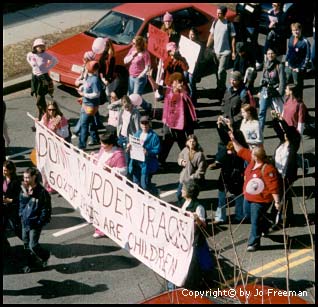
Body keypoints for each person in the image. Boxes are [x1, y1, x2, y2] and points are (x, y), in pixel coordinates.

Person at [229, 131, 281, 252]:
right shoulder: (252, 162)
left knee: (255, 221)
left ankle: (253, 243)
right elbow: (241, 151)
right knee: (248, 215)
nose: (250, 154)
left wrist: (277, 202)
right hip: (249, 198)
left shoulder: (268, 168)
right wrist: (233, 140)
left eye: (252, 154)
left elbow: (273, 186)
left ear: (256, 157)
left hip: (261, 200)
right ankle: (265, 225)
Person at [148, 72, 197, 165]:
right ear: (172, 82)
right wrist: (150, 77)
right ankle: (161, 161)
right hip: (169, 123)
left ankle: (190, 160)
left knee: (182, 143)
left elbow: (187, 98)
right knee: (166, 143)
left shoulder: (184, 92)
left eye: (180, 81)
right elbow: (157, 87)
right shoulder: (168, 91)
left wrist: (182, 91)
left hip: (180, 124)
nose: (179, 83)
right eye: (177, 81)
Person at [179, 179, 214, 290]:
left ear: (189, 192)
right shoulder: (184, 202)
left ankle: (202, 282)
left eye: (183, 189)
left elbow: (203, 224)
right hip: (186, 237)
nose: (181, 191)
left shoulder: (198, 207)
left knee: (199, 261)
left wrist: (197, 219)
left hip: (196, 239)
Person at [91, 132, 127, 238]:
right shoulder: (104, 149)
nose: (102, 147)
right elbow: (101, 157)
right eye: (101, 145)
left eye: (104, 145)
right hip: (100, 182)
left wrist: (111, 170)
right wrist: (95, 156)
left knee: (106, 208)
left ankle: (103, 228)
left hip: (110, 186)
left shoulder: (118, 154)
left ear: (111, 144)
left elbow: (124, 170)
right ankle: (99, 225)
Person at [213, 71, 248, 167]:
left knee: (235, 141)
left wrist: (233, 121)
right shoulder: (228, 90)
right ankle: (219, 160)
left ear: (239, 81)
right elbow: (224, 101)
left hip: (235, 123)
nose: (232, 82)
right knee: (222, 140)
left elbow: (244, 110)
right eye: (231, 79)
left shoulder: (243, 93)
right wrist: (222, 113)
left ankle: (237, 162)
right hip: (225, 120)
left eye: (235, 80)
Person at [19, 167, 51, 272]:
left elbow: (45, 210)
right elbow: (22, 204)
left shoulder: (42, 192)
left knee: (33, 245)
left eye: (28, 177)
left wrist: (39, 222)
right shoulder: (24, 188)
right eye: (24, 177)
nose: (25, 180)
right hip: (25, 221)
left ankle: (45, 256)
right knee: (26, 243)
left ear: (34, 177)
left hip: (35, 223)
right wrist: (21, 214)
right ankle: (30, 263)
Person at [272, 118, 301, 227]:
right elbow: (278, 129)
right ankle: (290, 217)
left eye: (286, 133)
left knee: (280, 198)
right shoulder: (282, 142)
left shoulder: (293, 145)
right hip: (277, 174)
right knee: (285, 197)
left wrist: (283, 121)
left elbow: (288, 130)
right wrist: (275, 119)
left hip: (287, 176)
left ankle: (277, 219)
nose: (284, 134)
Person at [206, 5, 236, 100]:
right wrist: (207, 47)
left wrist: (233, 52)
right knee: (216, 71)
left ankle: (221, 89)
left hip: (225, 52)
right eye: (217, 13)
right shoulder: (215, 22)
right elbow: (211, 35)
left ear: (224, 14)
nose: (218, 15)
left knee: (221, 71)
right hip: (216, 51)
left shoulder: (229, 24)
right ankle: (219, 87)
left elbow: (233, 39)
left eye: (220, 13)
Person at [27, 38, 58, 128]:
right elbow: (28, 59)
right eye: (39, 46)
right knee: (40, 102)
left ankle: (45, 118)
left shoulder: (45, 55)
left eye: (42, 46)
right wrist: (32, 67)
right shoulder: (30, 54)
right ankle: (44, 119)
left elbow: (55, 60)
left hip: (43, 78)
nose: (41, 47)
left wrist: (47, 68)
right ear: (35, 47)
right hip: (35, 78)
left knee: (39, 101)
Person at [213, 141, 245, 225]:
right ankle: (224, 217)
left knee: (237, 198)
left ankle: (237, 216)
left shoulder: (239, 155)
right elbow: (218, 161)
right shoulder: (224, 152)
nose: (230, 152)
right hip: (227, 178)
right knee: (223, 198)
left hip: (235, 178)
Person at [128, 115, 161, 195]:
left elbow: (157, 150)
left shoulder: (154, 136)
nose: (144, 125)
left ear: (149, 124)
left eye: (146, 123)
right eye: (142, 123)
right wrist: (129, 146)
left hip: (146, 164)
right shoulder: (137, 133)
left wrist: (148, 152)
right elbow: (134, 144)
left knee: (144, 185)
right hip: (136, 163)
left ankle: (155, 192)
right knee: (136, 184)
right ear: (140, 124)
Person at [258, 48, 286, 132]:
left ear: (275, 55)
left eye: (272, 53)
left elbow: (282, 80)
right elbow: (262, 77)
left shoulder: (279, 65)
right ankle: (260, 132)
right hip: (265, 90)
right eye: (268, 53)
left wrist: (280, 93)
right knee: (262, 112)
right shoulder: (265, 64)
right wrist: (260, 90)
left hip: (274, 91)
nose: (270, 55)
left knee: (277, 113)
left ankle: (282, 131)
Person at [77, 60, 102, 149]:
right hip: (87, 104)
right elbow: (87, 85)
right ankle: (95, 139)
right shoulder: (89, 77)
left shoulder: (95, 80)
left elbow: (97, 94)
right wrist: (82, 88)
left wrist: (84, 95)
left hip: (90, 106)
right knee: (91, 122)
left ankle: (81, 145)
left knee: (84, 125)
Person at [177, 134, 207, 203]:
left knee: (189, 197)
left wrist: (193, 176)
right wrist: (181, 162)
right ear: (187, 142)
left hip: (192, 181)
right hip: (183, 178)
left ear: (196, 142)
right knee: (179, 195)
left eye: (193, 141)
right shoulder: (185, 150)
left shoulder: (199, 154)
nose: (192, 143)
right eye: (190, 141)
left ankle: (190, 209)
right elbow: (179, 158)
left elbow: (201, 169)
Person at [285, 23, 311, 99]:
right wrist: (286, 60)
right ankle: (289, 103)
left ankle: (299, 104)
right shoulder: (291, 38)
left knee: (298, 87)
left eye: (297, 30)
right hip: (289, 66)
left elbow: (307, 57)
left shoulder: (305, 42)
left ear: (300, 30)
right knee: (288, 85)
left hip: (297, 69)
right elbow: (289, 50)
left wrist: (300, 68)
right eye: (293, 30)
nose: (295, 32)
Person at [3, 160, 22, 254]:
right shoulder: (4, 179)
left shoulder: (16, 182)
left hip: (13, 209)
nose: (4, 172)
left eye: (5, 170)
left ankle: (28, 243)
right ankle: (6, 247)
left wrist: (10, 200)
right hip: (4, 209)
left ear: (10, 171)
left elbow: (19, 198)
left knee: (16, 228)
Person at [186, 27, 205, 106]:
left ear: (196, 35)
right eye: (190, 34)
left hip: (193, 68)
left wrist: (197, 60)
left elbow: (201, 58)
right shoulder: (187, 43)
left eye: (193, 35)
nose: (191, 36)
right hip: (186, 66)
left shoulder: (199, 45)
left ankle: (193, 100)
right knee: (185, 82)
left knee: (192, 84)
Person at [99, 38, 116, 104]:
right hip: (104, 78)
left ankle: (113, 109)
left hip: (109, 78)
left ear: (108, 45)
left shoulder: (111, 56)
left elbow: (111, 69)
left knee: (109, 94)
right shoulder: (103, 53)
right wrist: (102, 77)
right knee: (107, 94)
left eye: (105, 45)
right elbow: (101, 67)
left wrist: (108, 80)